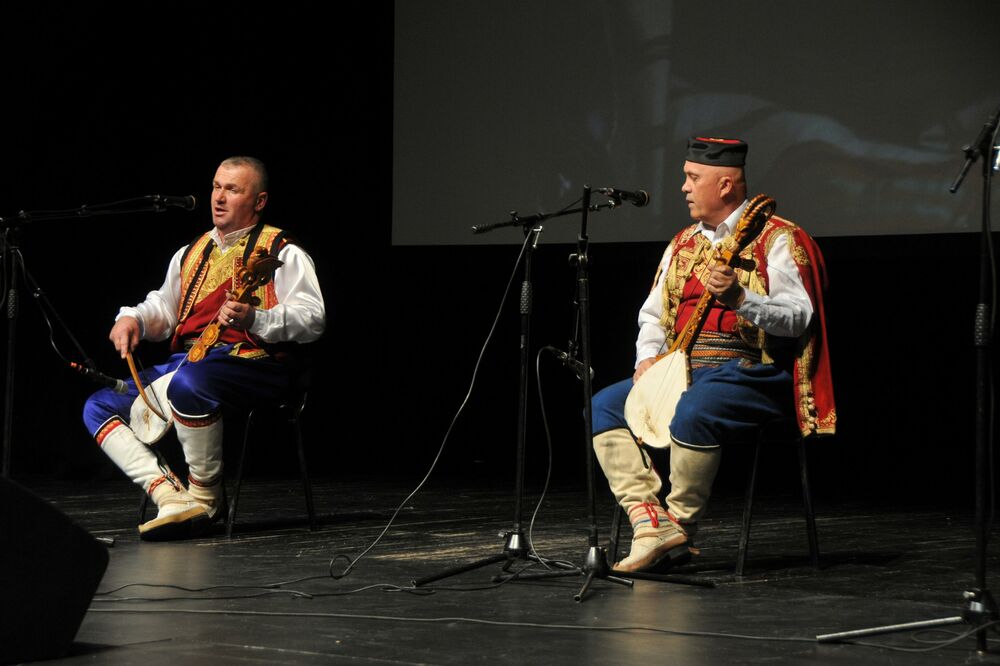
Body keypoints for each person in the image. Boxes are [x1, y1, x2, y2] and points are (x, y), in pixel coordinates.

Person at [592, 137, 835, 573]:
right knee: (605, 406)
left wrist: (742, 298)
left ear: (725, 185)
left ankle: (680, 524)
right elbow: (651, 315)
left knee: (695, 409)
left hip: (751, 373)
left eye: (692, 178)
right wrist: (647, 359)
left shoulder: (776, 238)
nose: (683, 187)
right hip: (683, 368)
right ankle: (651, 524)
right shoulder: (682, 243)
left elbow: (799, 318)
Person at [82, 156, 326, 541]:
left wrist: (255, 319)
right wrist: (133, 319)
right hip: (191, 364)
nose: (219, 197)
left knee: (190, 383)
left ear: (259, 201)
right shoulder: (191, 252)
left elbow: (312, 319)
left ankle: (207, 497)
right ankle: (171, 496)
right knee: (98, 405)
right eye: (216, 186)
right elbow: (163, 307)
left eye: (233, 189)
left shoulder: (282, 251)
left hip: (255, 364)